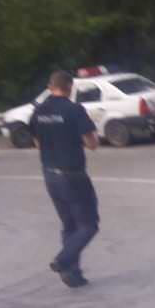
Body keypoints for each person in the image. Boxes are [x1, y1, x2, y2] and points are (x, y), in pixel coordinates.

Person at [30, 71, 100, 287]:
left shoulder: (38, 111)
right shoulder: (74, 110)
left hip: (50, 175)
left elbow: (37, 143)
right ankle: (63, 260)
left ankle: (72, 274)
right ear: (69, 87)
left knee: (69, 224)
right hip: (73, 175)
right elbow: (92, 143)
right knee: (88, 225)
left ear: (50, 87)